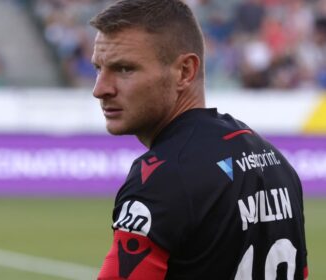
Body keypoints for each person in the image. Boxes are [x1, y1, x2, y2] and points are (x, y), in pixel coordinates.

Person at [90, 0, 308, 279]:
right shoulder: (277, 163)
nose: (100, 89)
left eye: (124, 69)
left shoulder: (163, 175)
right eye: (98, 68)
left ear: (185, 71)